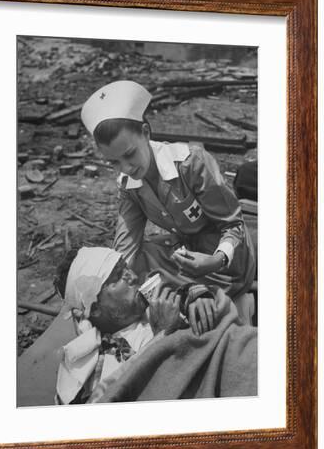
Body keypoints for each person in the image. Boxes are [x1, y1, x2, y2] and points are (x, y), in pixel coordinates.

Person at [81, 80, 256, 299]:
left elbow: (233, 224)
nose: (126, 167)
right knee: (136, 259)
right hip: (186, 257)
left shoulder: (191, 163)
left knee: (160, 289)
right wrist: (111, 281)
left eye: (129, 154)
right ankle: (184, 293)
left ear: (145, 133)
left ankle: (192, 294)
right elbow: (127, 243)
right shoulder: (129, 186)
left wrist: (216, 260)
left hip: (226, 264)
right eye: (114, 162)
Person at [54, 246, 257, 405]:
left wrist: (197, 295)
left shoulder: (159, 306)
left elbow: (222, 321)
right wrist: (162, 337)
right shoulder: (87, 371)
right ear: (96, 308)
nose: (133, 277)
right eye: (118, 277)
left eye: (126, 267)